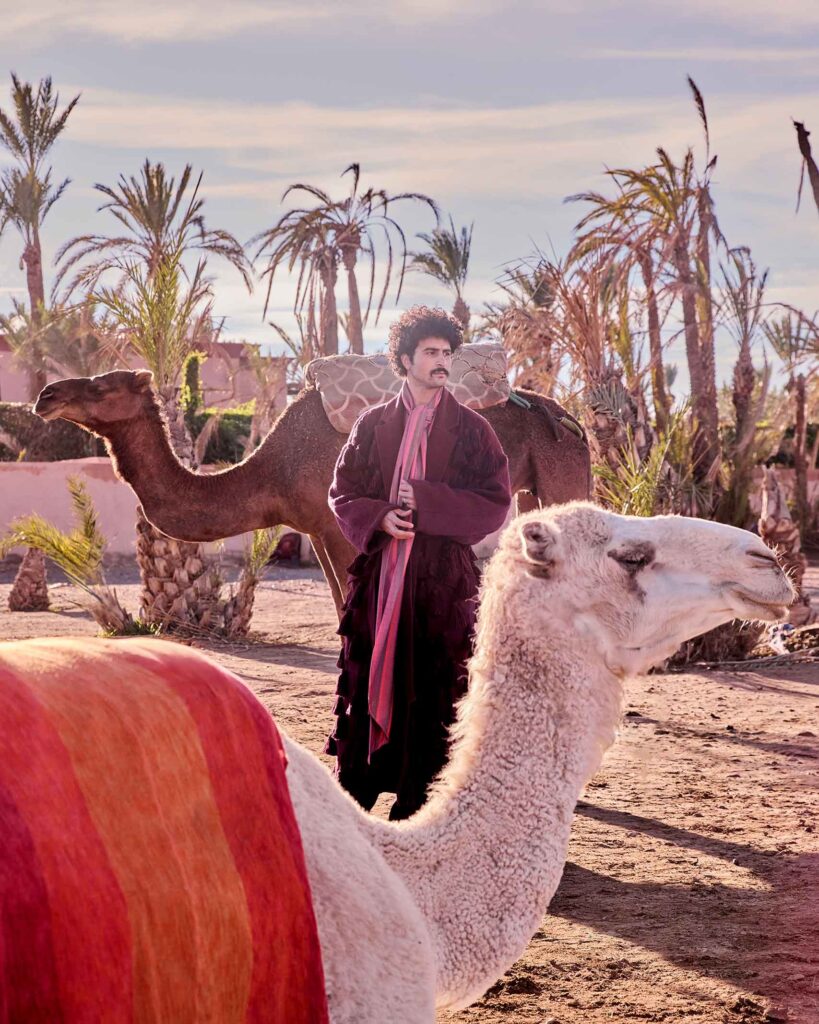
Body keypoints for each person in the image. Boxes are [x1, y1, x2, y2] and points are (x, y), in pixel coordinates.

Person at [325, 306, 512, 820]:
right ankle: (359, 791)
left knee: (434, 685)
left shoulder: (472, 429)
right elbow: (343, 492)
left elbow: (495, 501)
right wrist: (381, 517)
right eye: (431, 352)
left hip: (442, 585)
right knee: (369, 676)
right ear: (405, 360)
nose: (441, 361)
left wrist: (427, 502)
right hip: (380, 581)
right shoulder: (372, 424)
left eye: (447, 352)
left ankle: (420, 806)